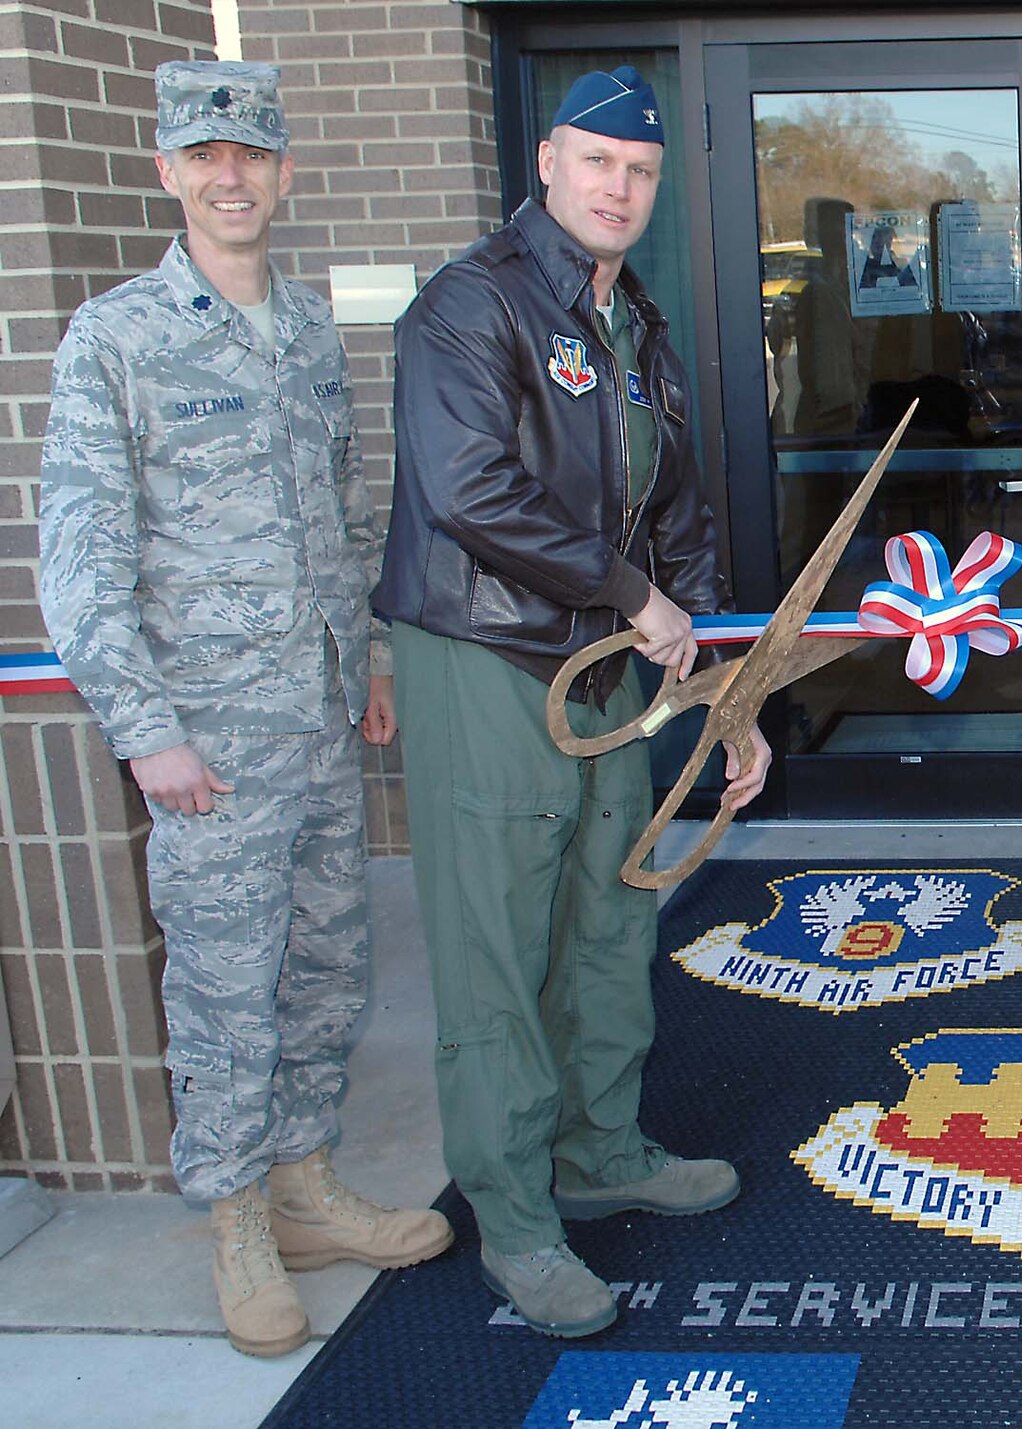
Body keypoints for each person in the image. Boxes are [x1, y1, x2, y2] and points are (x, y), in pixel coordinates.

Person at [37, 61, 452, 1359]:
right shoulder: (117, 338)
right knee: (225, 988)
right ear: (168, 171)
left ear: (283, 172)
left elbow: (339, 518)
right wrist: (142, 726)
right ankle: (233, 1217)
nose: (232, 178)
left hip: (320, 725)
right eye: (205, 156)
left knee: (328, 966)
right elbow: (79, 557)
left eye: (253, 156)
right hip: (204, 745)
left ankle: (307, 1183)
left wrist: (374, 660)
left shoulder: (313, 329)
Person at [377, 66, 770, 1339]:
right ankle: (516, 1216)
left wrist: (713, 683)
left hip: (604, 662)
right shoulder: (468, 303)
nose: (619, 187)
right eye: (598, 161)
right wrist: (629, 595)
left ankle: (601, 1150)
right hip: (487, 659)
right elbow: (470, 490)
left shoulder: (629, 320)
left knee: (609, 913)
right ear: (547, 163)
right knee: (497, 946)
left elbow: (678, 520)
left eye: (641, 171)